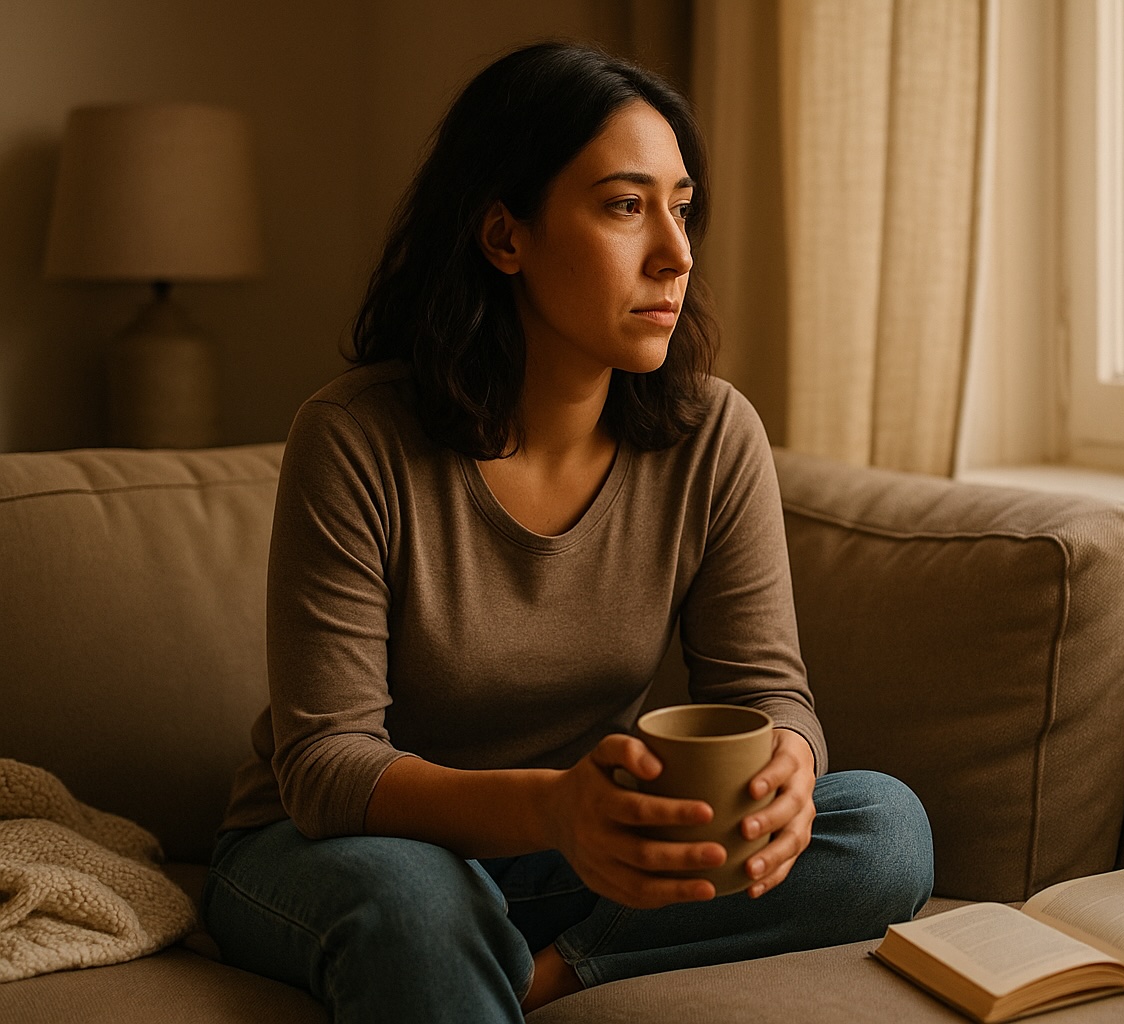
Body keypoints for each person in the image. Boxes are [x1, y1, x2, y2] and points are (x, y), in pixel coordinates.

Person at [201, 41, 933, 1024]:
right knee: (421, 902)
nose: (674, 251)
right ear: (505, 235)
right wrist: (552, 808)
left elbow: (767, 692)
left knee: (884, 827)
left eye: (681, 207)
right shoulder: (355, 439)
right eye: (626, 206)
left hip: (572, 855)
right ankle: (464, 953)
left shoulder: (714, 436)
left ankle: (537, 976)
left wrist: (788, 769)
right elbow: (329, 769)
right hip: (341, 850)